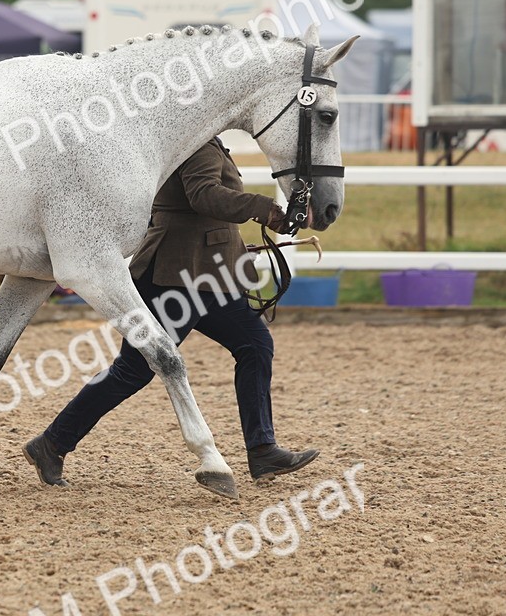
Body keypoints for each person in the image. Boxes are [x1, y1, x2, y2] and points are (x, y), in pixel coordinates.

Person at [23, 137, 319, 489]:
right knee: (133, 371)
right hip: (175, 274)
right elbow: (203, 195)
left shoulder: (206, 141)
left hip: (209, 276)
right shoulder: (196, 144)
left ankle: (262, 449)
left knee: (255, 345)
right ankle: (52, 443)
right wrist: (262, 207)